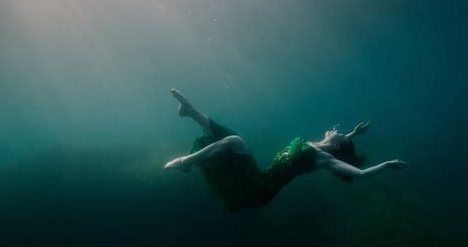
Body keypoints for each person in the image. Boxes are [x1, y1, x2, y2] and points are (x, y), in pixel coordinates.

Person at [164, 88, 407, 211]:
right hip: (260, 179)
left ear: (337, 144)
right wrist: (354, 134)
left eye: (340, 133)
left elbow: (361, 174)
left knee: (235, 141)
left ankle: (186, 161)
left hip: (260, 190)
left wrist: (386, 165)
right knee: (230, 138)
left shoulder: (323, 159)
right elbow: (339, 145)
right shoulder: (315, 146)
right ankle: (191, 111)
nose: (336, 129)